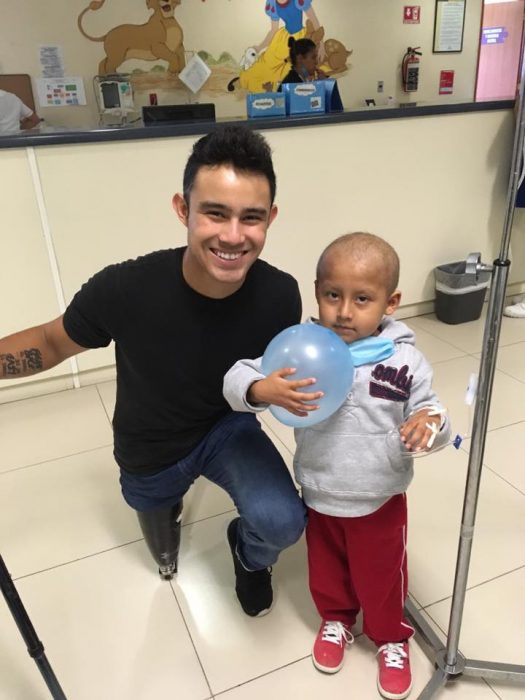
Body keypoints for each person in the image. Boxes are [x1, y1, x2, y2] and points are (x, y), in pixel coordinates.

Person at [0, 125, 306, 618]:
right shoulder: (125, 288)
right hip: (151, 447)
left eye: (250, 218)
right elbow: (51, 342)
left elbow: (273, 379)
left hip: (227, 428)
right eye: (214, 213)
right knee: (160, 541)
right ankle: (166, 511)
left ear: (270, 218)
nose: (233, 235)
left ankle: (249, 557)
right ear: (183, 210)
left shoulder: (280, 295)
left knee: (282, 522)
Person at [224, 232, 450, 699]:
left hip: (378, 496)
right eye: (332, 295)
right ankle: (336, 620)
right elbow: (237, 375)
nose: (344, 311)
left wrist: (429, 426)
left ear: (391, 302)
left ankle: (391, 637)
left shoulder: (404, 360)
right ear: (317, 293)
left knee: (382, 576)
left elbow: (433, 413)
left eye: (362, 299)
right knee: (326, 569)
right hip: (321, 491)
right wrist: (259, 389)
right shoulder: (300, 348)